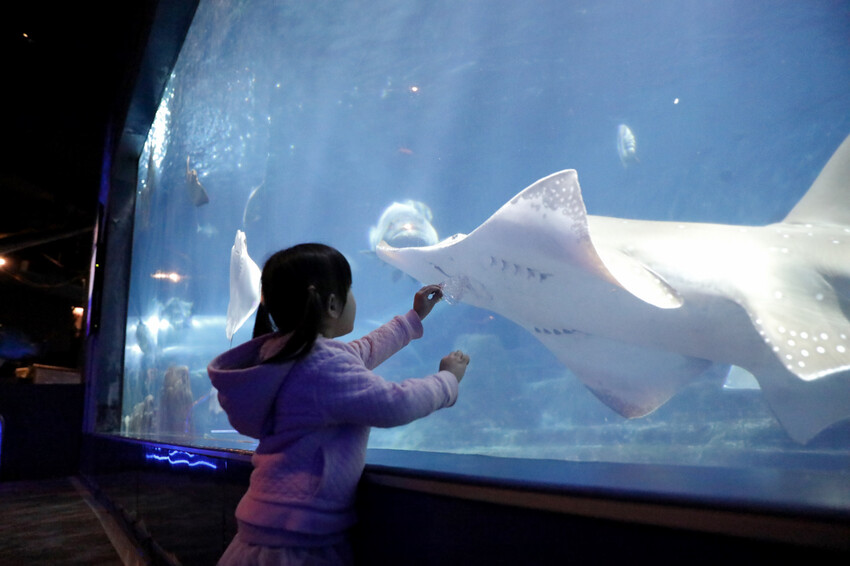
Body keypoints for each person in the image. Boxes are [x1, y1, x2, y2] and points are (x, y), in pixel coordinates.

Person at [208, 243, 469, 565]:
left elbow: (363, 351)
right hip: (298, 543)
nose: (354, 299)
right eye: (350, 290)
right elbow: (394, 404)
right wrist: (447, 381)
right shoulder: (320, 365)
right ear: (332, 304)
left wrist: (412, 319)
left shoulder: (282, 355)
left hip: (263, 528)